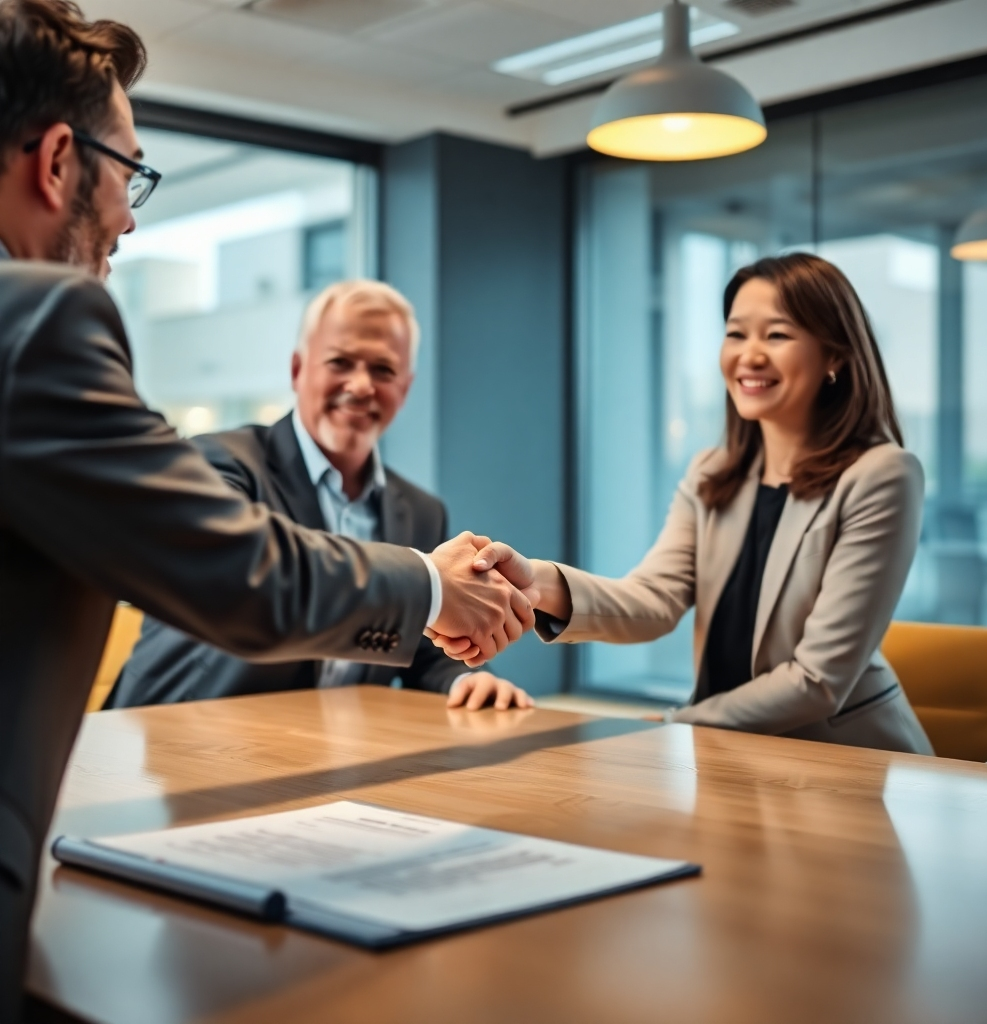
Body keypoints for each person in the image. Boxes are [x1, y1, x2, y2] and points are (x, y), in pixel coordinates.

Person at [0, 2, 532, 1017]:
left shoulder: (415, 501)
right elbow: (241, 570)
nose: (130, 215)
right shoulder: (40, 319)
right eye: (129, 171)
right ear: (60, 160)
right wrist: (430, 586)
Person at [433, 253, 933, 755]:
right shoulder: (713, 473)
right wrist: (533, 582)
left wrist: (675, 723)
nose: (750, 355)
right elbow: (653, 601)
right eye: (736, 334)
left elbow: (818, 680)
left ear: (835, 357)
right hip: (730, 756)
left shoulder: (882, 475)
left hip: (848, 765)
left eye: (777, 335)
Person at [109, 280, 531, 712]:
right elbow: (250, 588)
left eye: (383, 370)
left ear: (404, 390)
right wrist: (426, 582)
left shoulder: (422, 512)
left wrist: (466, 679)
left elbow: (420, 645)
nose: (362, 385)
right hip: (171, 741)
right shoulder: (218, 465)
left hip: (320, 752)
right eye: (340, 362)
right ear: (297, 370)